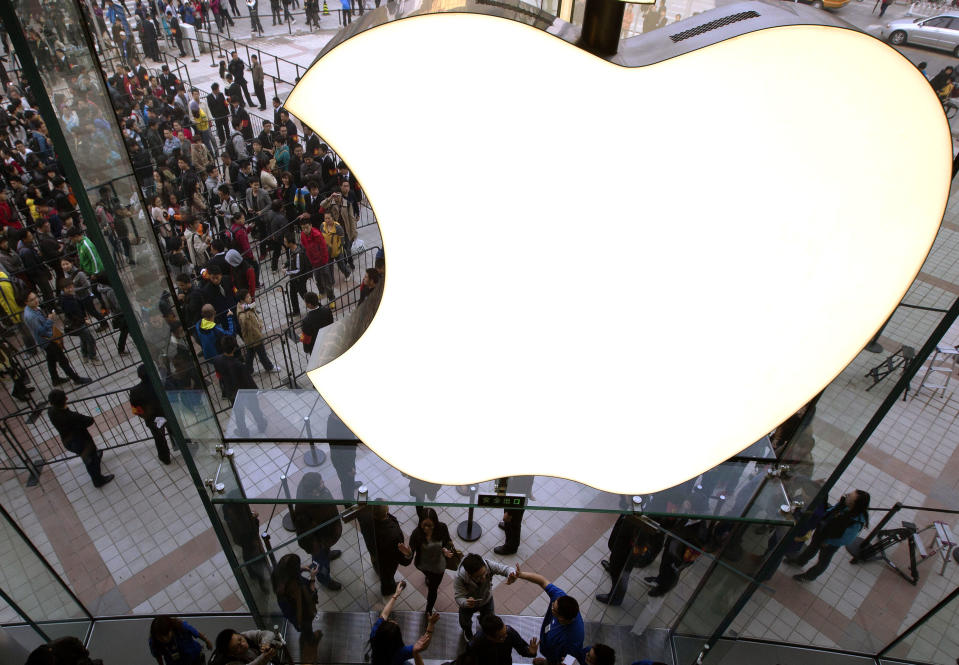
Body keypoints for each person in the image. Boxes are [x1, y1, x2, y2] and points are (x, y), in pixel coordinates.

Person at [786, 489, 871, 582]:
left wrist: (828, 542)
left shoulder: (856, 522)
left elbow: (846, 539)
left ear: (854, 503)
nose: (847, 495)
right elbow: (832, 512)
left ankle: (809, 576)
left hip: (830, 543)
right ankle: (800, 561)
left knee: (823, 560)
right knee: (811, 548)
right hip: (822, 532)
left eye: (850, 496)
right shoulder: (845, 505)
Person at [512, 564, 585, 665]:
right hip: (549, 646)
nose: (551, 608)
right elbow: (542, 581)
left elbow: (567, 662)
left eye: (553, 609)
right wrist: (520, 574)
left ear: (562, 618)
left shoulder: (572, 640)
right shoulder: (560, 598)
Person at [47, 388, 114, 488]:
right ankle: (98, 480)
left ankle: (95, 457)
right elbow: (89, 421)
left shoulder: (51, 412)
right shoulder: (72, 416)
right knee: (90, 460)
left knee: (89, 456)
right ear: (65, 399)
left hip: (68, 441)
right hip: (83, 443)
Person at [23, 291, 91, 386]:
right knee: (62, 360)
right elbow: (41, 331)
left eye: (35, 298)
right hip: (48, 340)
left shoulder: (33, 309)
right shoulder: (31, 316)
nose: (35, 301)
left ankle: (55, 379)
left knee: (51, 360)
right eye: (32, 300)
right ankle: (76, 379)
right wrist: (50, 320)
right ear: (26, 302)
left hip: (48, 339)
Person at [293, 471, 344, 590]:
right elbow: (307, 535)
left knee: (324, 554)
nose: (323, 484)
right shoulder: (305, 509)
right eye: (321, 483)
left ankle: (327, 552)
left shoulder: (317, 492)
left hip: (325, 537)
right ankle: (324, 579)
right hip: (319, 543)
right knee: (320, 563)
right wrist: (317, 548)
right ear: (313, 491)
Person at [401, 508, 455, 616]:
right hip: (423, 565)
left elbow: (448, 542)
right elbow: (410, 556)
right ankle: (428, 578)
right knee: (429, 577)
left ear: (435, 523)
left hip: (438, 566)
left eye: (430, 525)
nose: (426, 528)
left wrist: (445, 549)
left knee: (433, 589)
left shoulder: (442, 528)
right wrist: (408, 553)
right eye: (424, 525)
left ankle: (429, 609)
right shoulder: (416, 534)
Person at [370, 581, 437, 665]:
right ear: (397, 639)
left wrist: (396, 595)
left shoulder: (374, 634)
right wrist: (431, 624)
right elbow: (424, 645)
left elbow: (384, 614)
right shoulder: (401, 652)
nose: (392, 620)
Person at [454, 553, 517, 641]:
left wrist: (511, 574)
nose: (483, 578)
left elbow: (506, 569)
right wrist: (465, 602)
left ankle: (485, 633)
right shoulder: (460, 578)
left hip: (487, 600)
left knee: (489, 622)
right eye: (478, 577)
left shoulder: (489, 566)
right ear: (469, 574)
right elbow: (458, 596)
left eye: (484, 573)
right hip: (468, 605)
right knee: (465, 623)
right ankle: (468, 632)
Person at [212, 335, 268, 435]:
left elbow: (219, 375)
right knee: (254, 409)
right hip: (245, 393)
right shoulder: (238, 365)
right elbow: (248, 381)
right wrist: (255, 391)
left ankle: (243, 431)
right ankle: (261, 424)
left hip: (231, 392)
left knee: (238, 413)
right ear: (234, 348)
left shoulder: (217, 360)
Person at [271, 553, 323, 651]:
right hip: (304, 617)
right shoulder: (295, 588)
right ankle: (310, 640)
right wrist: (312, 579)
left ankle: (309, 637)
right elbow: (299, 621)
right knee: (307, 629)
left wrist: (302, 569)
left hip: (301, 615)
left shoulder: (278, 577)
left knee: (306, 628)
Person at [361, 503, 412, 596]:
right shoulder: (392, 534)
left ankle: (377, 571)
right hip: (387, 562)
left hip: (375, 553)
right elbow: (402, 559)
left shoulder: (365, 519)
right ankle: (388, 590)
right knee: (387, 578)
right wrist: (408, 555)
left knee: (378, 566)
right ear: (387, 511)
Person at [130, 364, 172, 464]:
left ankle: (165, 458)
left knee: (159, 439)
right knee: (175, 431)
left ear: (140, 376)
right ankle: (186, 446)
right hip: (167, 414)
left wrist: (145, 416)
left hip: (152, 419)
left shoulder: (135, 391)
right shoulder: (161, 384)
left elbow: (135, 410)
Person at [57, 277, 100, 365]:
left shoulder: (70, 297)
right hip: (77, 324)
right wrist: (84, 320)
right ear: (63, 289)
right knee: (90, 339)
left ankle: (85, 355)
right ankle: (93, 357)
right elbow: (73, 314)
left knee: (84, 339)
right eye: (67, 288)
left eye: (71, 287)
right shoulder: (66, 300)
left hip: (79, 322)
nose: (70, 289)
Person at [236, 288, 280, 374]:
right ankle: (269, 367)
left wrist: (259, 323)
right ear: (242, 300)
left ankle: (248, 370)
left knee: (250, 353)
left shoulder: (247, 307)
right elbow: (243, 321)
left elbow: (255, 316)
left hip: (253, 335)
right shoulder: (242, 312)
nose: (250, 298)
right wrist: (246, 311)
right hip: (253, 336)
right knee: (262, 353)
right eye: (248, 297)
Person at [467, 614, 539, 665]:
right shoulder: (476, 643)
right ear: (489, 637)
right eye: (501, 637)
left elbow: (522, 648)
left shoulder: (509, 632)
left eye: (505, 632)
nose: (506, 636)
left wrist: (530, 652)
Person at [149, 615, 213, 665]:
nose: (164, 640)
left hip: (195, 657)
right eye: (160, 637)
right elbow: (158, 655)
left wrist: (207, 641)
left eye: (167, 636)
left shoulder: (182, 627)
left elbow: (196, 633)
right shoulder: (153, 641)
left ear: (171, 629)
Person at [284, 233, 310, 316]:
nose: (284, 243)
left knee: (304, 295)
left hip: (300, 278)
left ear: (290, 243)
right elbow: (290, 260)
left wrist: (287, 271)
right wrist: (285, 264)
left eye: (285, 241)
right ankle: (296, 311)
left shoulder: (299, 254)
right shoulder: (289, 250)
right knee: (292, 294)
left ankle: (316, 306)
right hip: (293, 278)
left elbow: (299, 270)